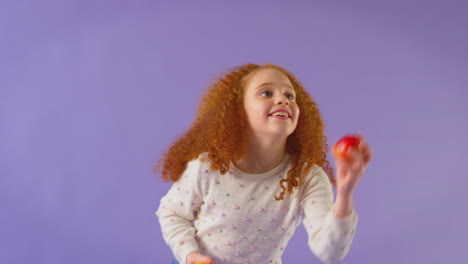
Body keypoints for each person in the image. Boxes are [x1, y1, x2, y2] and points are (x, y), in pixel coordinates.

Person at [154, 63, 373, 264]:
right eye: (266, 93)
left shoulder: (308, 177)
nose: (283, 99)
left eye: (290, 95)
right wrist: (190, 254)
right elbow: (172, 213)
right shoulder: (208, 166)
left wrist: (345, 193)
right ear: (239, 113)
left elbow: (330, 253)